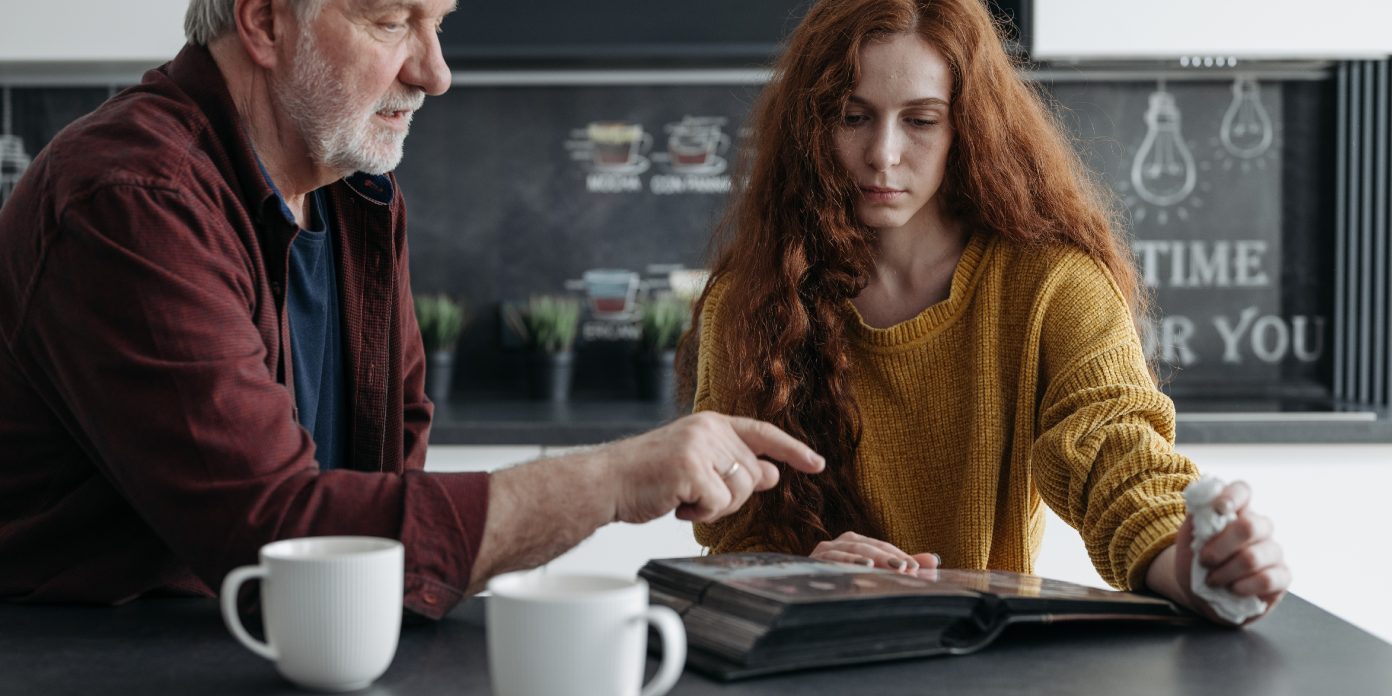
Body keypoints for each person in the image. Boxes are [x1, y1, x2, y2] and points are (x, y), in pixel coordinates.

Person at [0, 0, 825, 620]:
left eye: (438, 23)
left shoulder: (358, 194)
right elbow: (283, 542)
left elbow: (394, 462)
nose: (434, 71)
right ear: (263, 21)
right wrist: (614, 480)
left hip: (280, 649)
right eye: (393, 20)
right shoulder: (132, 199)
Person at [683, 0, 1289, 625]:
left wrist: (1188, 562)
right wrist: (804, 572)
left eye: (920, 121)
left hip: (985, 658)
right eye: (853, 116)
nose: (883, 154)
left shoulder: (1052, 285)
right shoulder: (752, 297)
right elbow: (731, 531)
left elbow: (1114, 450)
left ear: (967, 126)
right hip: (799, 654)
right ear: (813, 125)